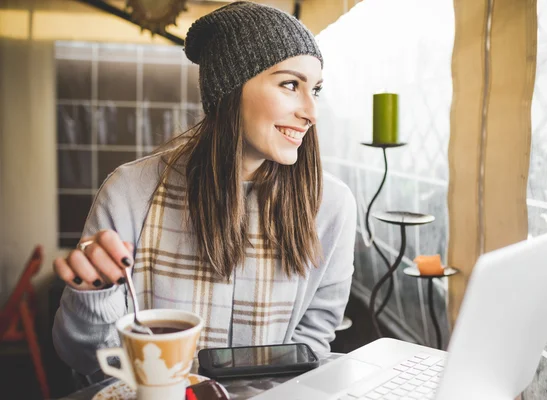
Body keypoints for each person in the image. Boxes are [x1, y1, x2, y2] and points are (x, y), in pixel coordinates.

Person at [52, 0, 357, 376]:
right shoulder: (130, 191)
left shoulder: (331, 204)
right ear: (228, 90)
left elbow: (311, 341)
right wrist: (94, 295)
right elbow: (84, 358)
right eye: (290, 84)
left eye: (317, 90)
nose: (311, 111)